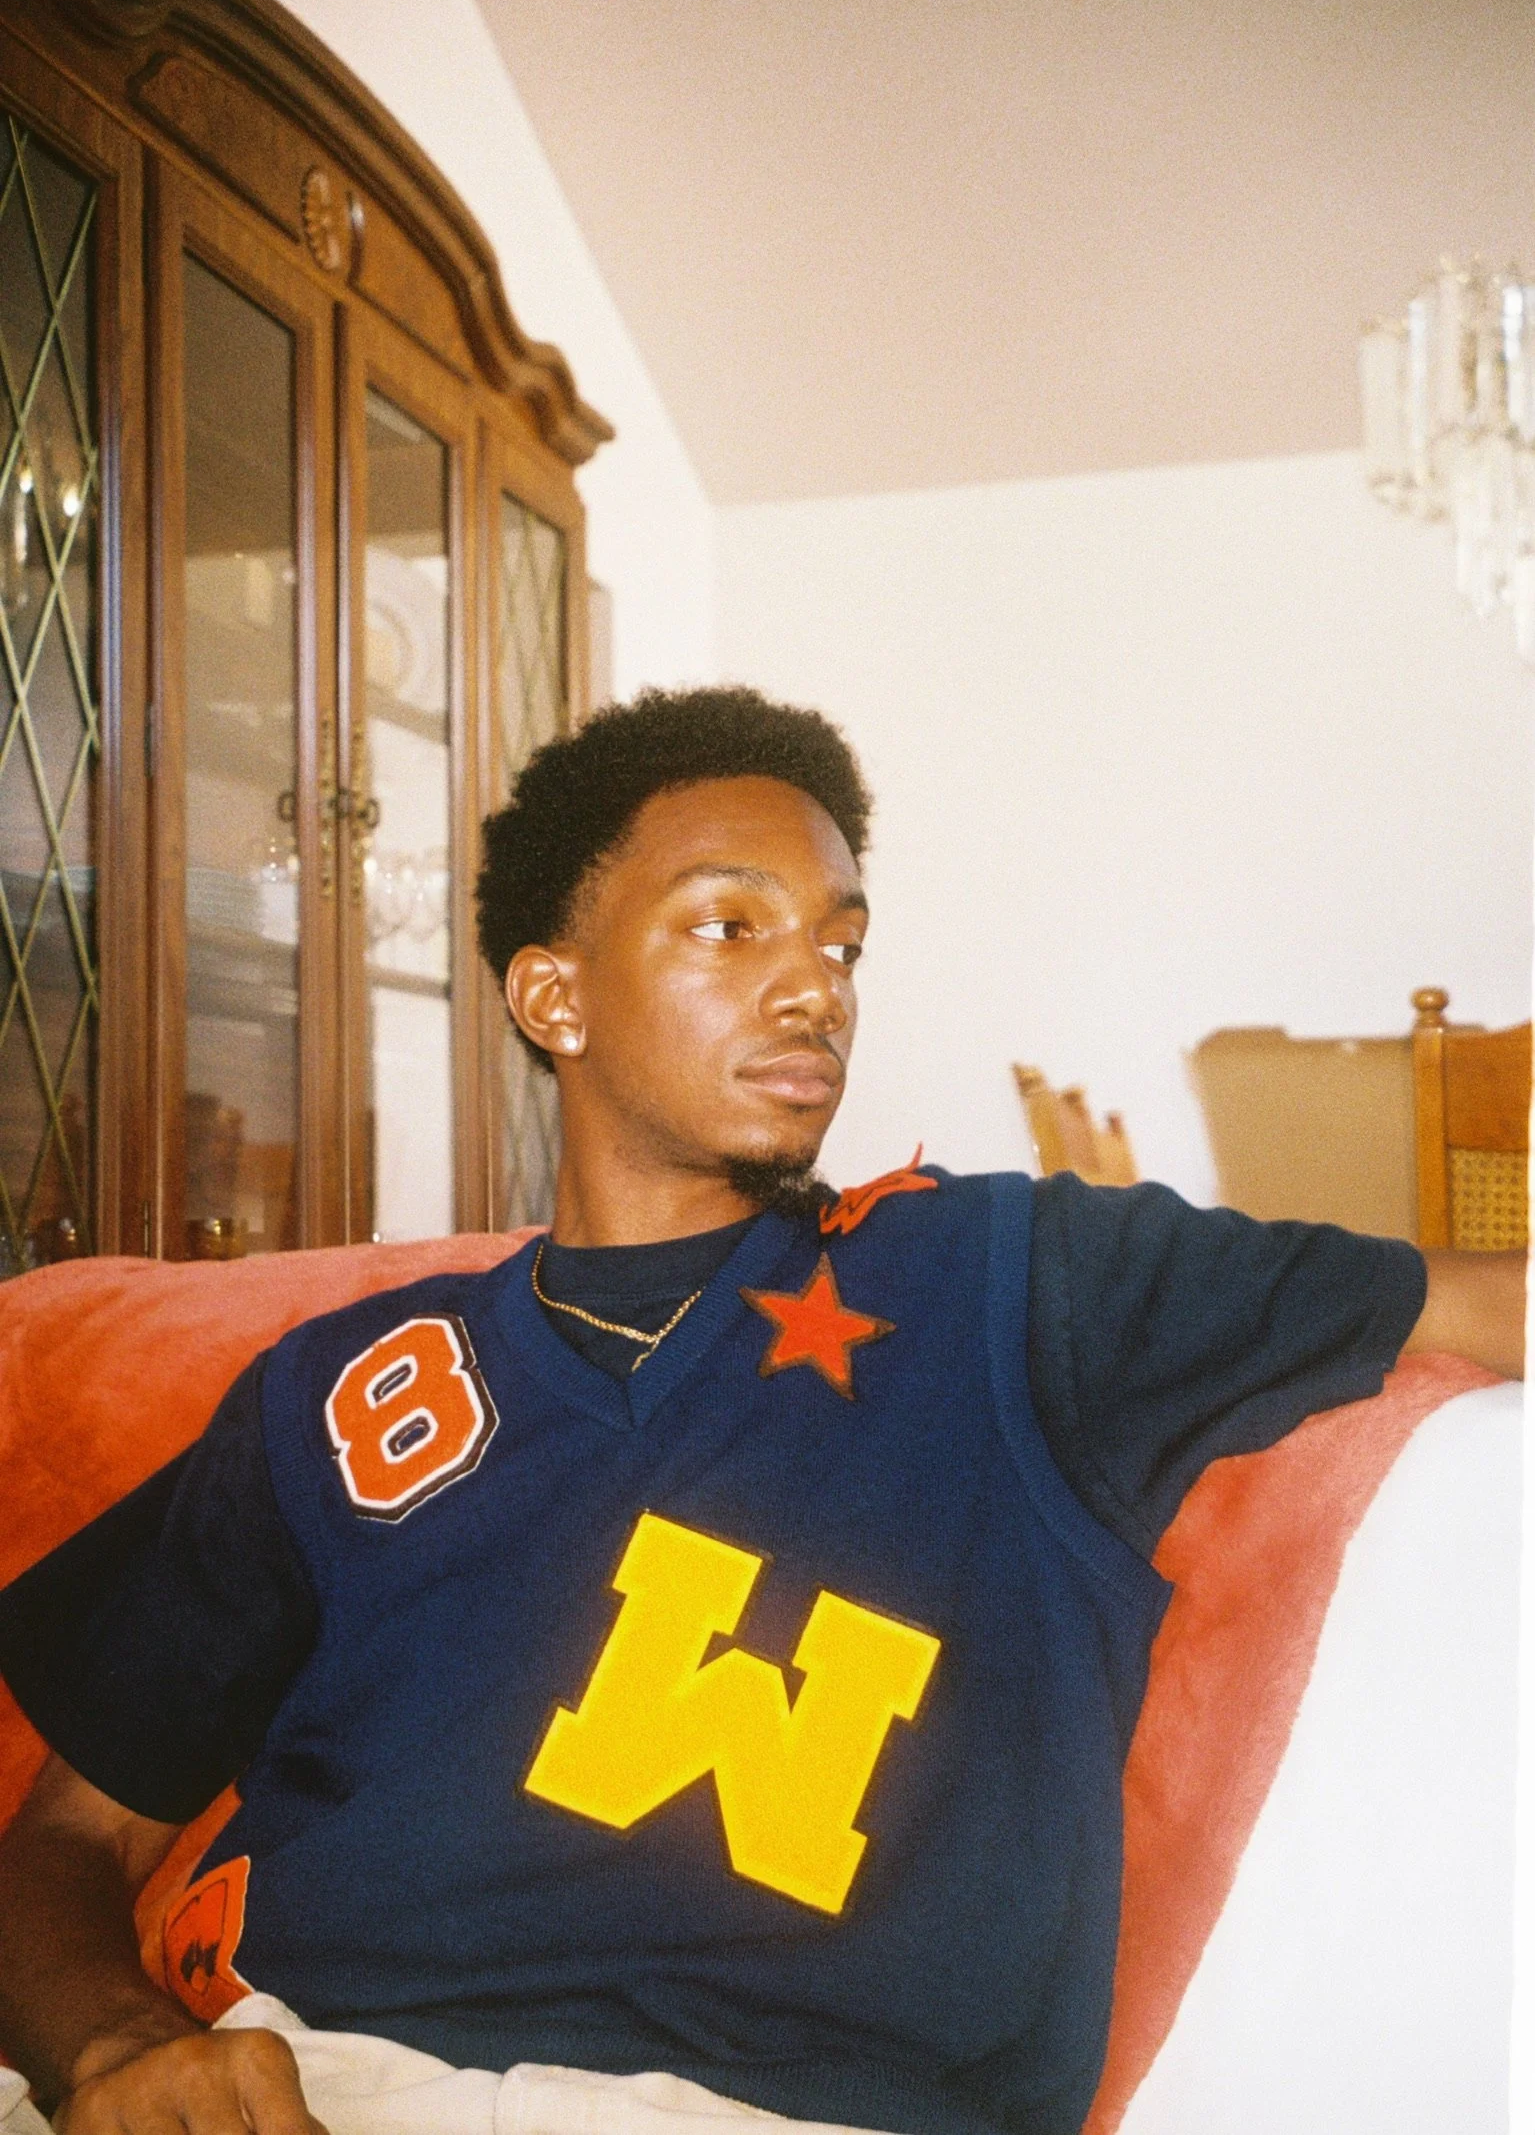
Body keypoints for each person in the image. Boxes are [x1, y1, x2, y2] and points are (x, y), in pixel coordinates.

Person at [0, 687, 1523, 2135]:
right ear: (553, 995)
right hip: (313, 2081)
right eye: (730, 925)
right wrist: (116, 2047)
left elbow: (1490, 1300)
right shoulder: (347, 1391)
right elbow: (66, 1842)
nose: (815, 984)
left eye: (841, 942)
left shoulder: (1012, 1275)